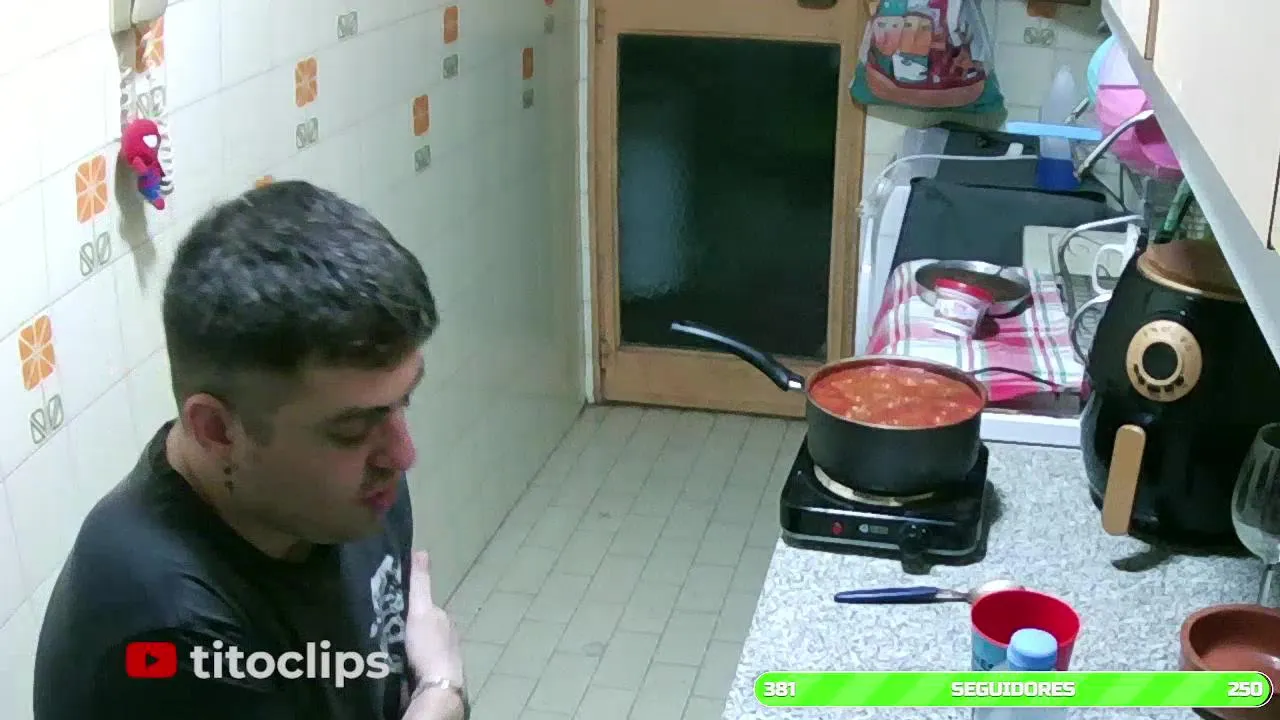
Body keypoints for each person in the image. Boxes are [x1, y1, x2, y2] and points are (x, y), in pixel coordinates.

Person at [33, 181, 468, 720]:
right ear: (217, 431)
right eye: (352, 429)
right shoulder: (167, 639)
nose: (403, 455)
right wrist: (441, 691)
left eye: (403, 400)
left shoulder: (352, 489)